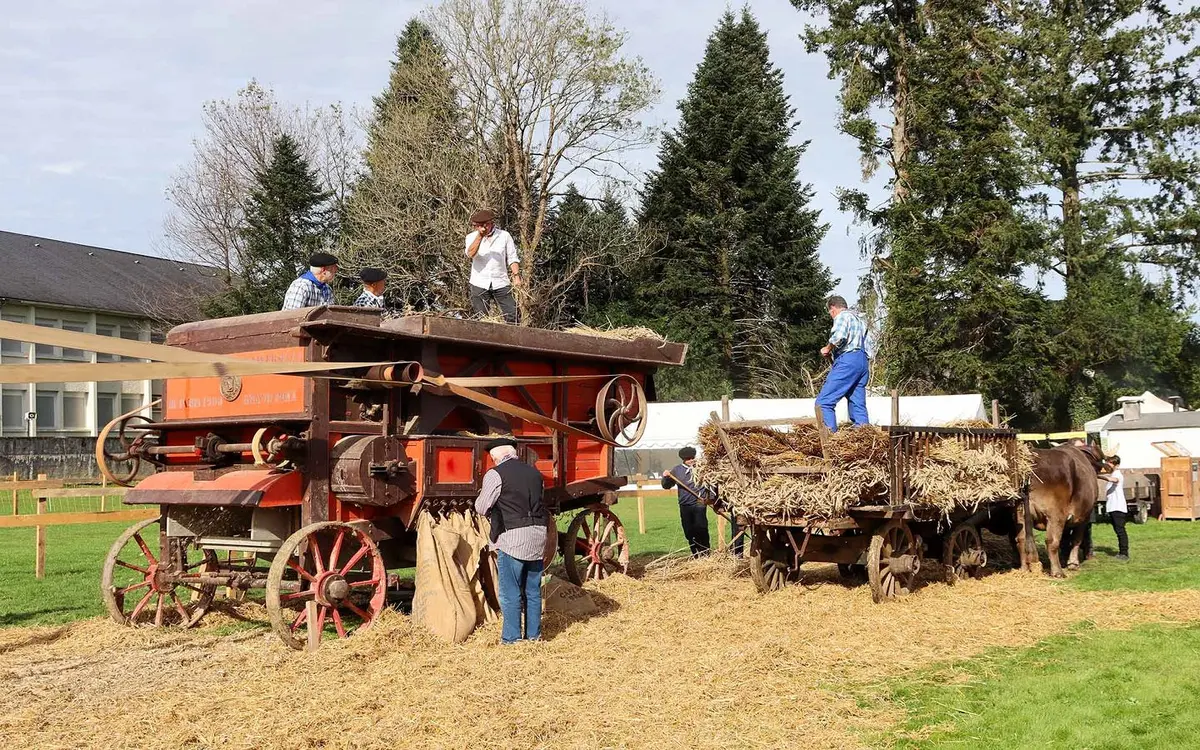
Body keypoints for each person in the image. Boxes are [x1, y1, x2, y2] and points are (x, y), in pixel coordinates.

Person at [474, 436, 547, 643]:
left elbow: (481, 507)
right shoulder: (535, 473)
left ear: (496, 457)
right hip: (538, 535)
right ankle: (534, 636)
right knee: (532, 590)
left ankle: (512, 639)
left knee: (510, 592)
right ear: (513, 453)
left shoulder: (495, 474)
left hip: (513, 538)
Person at [816, 295, 871, 432]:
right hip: (862, 362)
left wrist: (827, 348)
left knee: (823, 403)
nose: (831, 315)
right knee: (857, 404)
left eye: (830, 313)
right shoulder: (860, 321)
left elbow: (839, 336)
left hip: (848, 360)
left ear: (833, 308)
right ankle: (864, 439)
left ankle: (830, 441)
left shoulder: (842, 316)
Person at [465, 208, 520, 323]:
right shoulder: (471, 237)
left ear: (490, 224)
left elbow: (512, 257)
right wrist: (480, 236)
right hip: (479, 282)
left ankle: (511, 338)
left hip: (501, 281)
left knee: (512, 314)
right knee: (481, 318)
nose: (481, 228)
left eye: (483, 225)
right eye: (477, 226)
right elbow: (470, 254)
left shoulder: (504, 236)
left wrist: (516, 276)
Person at [662, 446, 714, 558]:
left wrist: (710, 499)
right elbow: (666, 486)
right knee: (689, 531)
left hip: (699, 502)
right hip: (685, 504)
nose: (691, 461)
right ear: (683, 460)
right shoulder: (676, 470)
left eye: (692, 458)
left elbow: (711, 483)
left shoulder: (701, 469)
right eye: (688, 459)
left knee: (701, 528)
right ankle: (695, 554)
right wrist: (666, 477)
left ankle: (705, 554)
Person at [1099, 455, 1129, 561]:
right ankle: (1122, 552)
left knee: (1120, 531)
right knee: (1118, 530)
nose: (1108, 464)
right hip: (1113, 507)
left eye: (1110, 463)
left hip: (1118, 507)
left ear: (1116, 465)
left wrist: (1099, 476)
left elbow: (1114, 480)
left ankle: (1124, 553)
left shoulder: (1117, 474)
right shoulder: (1113, 473)